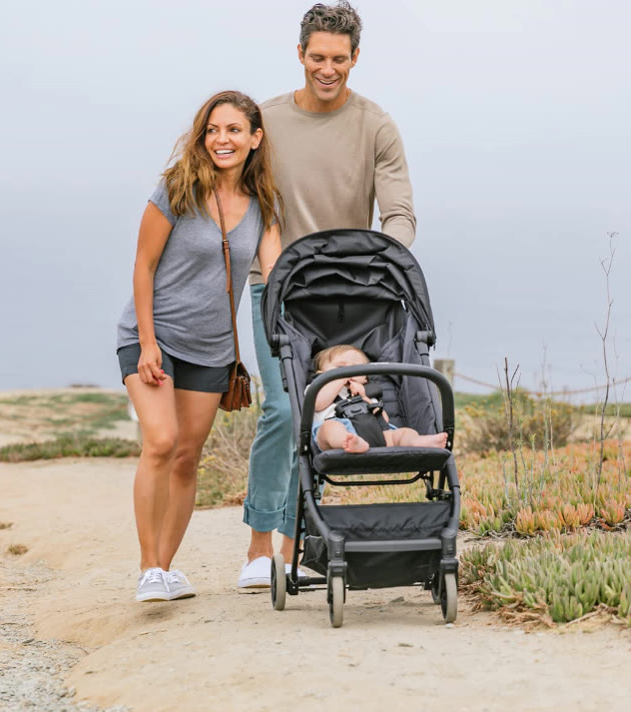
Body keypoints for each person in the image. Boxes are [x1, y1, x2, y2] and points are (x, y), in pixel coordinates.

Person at [238, 1, 417, 589]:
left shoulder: (376, 125)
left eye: (339, 59)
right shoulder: (265, 120)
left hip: (355, 293)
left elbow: (399, 214)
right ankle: (261, 547)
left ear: (355, 58)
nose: (328, 68)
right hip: (280, 288)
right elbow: (243, 204)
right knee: (286, 408)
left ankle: (297, 547)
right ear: (300, 55)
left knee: (336, 406)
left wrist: (385, 263)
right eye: (318, 57)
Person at [117, 90, 281, 602]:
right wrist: (147, 343)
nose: (221, 139)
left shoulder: (262, 207)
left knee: (188, 455)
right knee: (162, 441)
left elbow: (274, 277)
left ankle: (166, 568)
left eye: (233, 130)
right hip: (154, 337)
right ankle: (148, 569)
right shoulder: (177, 190)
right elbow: (143, 266)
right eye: (213, 130)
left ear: (255, 138)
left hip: (212, 351)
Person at [310, 345, 448, 453]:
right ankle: (350, 442)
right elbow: (317, 404)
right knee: (329, 429)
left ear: (365, 377)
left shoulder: (368, 392)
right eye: (340, 368)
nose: (348, 372)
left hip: (377, 433)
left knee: (403, 432)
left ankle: (417, 442)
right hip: (339, 427)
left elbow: (383, 419)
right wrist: (337, 381)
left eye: (356, 369)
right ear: (321, 374)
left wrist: (364, 397)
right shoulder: (318, 387)